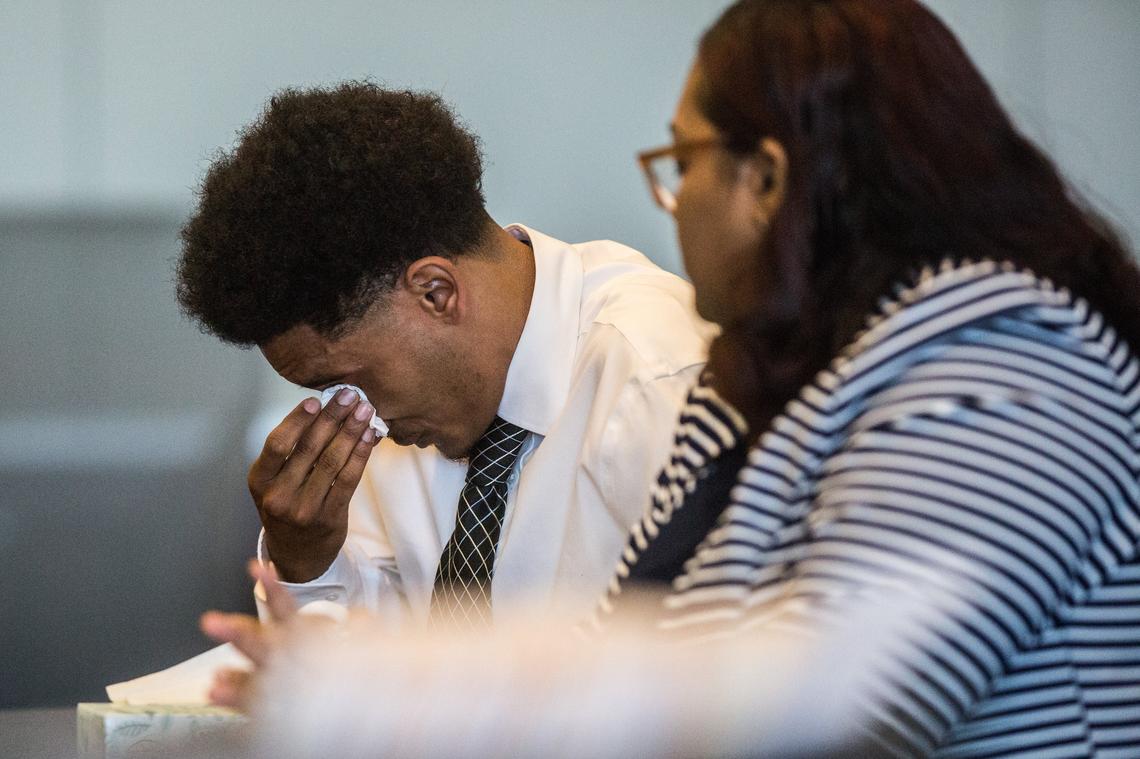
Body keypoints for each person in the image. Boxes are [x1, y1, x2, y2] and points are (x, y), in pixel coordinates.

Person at [205, 2, 1140, 757]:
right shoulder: (784, 389)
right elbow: (672, 651)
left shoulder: (1007, 361)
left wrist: (390, 694)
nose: (672, 202)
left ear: (766, 181)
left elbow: (840, 689)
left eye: (681, 162)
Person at [177, 82, 711, 627]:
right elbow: (372, 688)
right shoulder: (400, 420)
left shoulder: (661, 385)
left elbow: (710, 688)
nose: (356, 414)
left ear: (436, 292)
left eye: (343, 380)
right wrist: (307, 562)